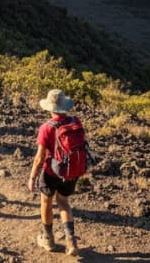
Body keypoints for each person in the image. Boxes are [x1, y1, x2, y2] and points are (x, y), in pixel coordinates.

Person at [27, 89, 88, 256]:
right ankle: (71, 240)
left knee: (46, 201)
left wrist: (32, 177)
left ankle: (48, 239)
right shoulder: (76, 122)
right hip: (71, 172)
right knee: (63, 202)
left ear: (50, 108)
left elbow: (39, 158)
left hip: (51, 172)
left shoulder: (46, 128)